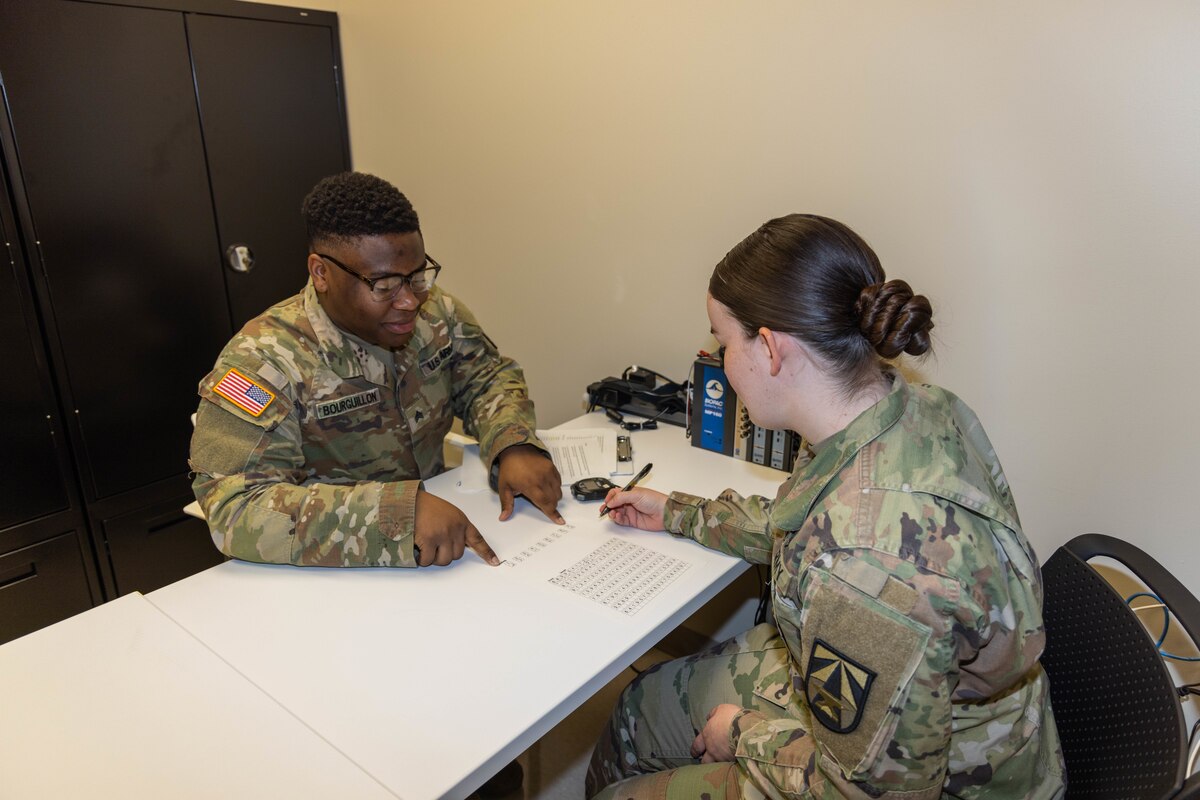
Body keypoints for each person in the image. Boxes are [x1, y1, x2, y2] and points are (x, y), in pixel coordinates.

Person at [586, 215, 1065, 799]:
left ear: (770, 349)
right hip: (913, 700)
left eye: (723, 342)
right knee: (638, 709)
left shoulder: (866, 571)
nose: (718, 358)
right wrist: (679, 512)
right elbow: (805, 522)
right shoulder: (911, 410)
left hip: (930, 778)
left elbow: (867, 794)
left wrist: (743, 734)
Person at [189, 171, 563, 570]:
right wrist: (396, 516)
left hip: (441, 550)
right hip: (330, 572)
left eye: (417, 276)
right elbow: (235, 506)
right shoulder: (263, 361)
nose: (409, 301)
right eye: (384, 285)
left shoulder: (437, 313)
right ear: (321, 273)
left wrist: (513, 443)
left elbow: (485, 379)